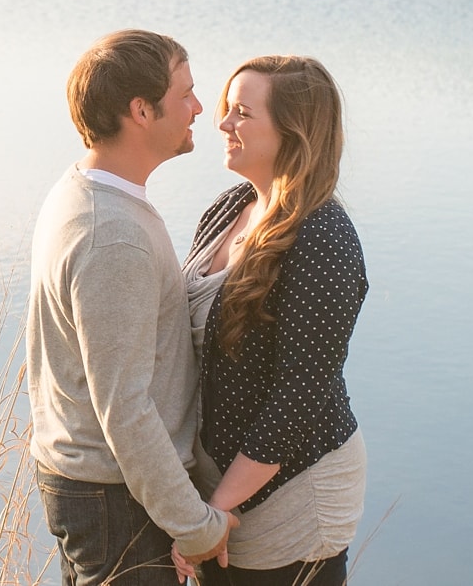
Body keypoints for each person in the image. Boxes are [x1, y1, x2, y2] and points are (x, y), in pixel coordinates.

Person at [28, 29, 236, 585]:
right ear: (142, 110)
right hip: (115, 500)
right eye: (186, 94)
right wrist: (195, 526)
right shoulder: (113, 235)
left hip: (97, 489)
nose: (199, 109)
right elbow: (124, 405)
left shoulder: (88, 191)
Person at [178, 56, 368, 586]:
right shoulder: (229, 206)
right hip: (225, 487)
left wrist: (215, 510)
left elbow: (300, 396)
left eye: (242, 113)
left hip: (293, 497)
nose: (222, 124)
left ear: (294, 133)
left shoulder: (323, 238)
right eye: (225, 109)